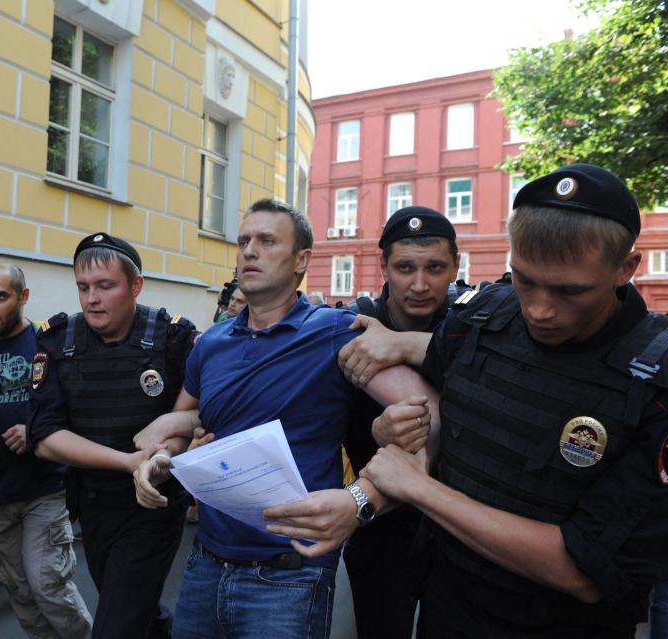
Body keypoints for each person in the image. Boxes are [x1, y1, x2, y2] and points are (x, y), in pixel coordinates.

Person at [287, 164, 668, 637]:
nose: (540, 309)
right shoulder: (484, 317)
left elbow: (583, 570)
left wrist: (419, 487)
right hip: (447, 608)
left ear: (626, 269)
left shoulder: (654, 378)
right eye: (525, 280)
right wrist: (395, 447)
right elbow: (433, 420)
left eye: (571, 290)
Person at [132, 199, 435, 639]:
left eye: (267, 241)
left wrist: (360, 496)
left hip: (290, 572)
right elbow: (184, 426)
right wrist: (159, 461)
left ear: (301, 261)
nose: (249, 251)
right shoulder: (210, 343)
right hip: (206, 564)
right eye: (244, 242)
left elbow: (425, 410)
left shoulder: (335, 331)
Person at [28, 232, 196, 638]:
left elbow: (195, 415)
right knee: (135, 609)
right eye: (83, 288)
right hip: (93, 504)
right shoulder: (55, 340)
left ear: (135, 286)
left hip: (154, 506)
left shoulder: (173, 339)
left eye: (105, 286)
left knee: (116, 625)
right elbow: (45, 437)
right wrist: (127, 462)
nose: (91, 299)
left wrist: (157, 457)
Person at [338, 206, 463, 639]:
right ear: (384, 266)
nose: (420, 284)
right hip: (381, 524)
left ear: (455, 267)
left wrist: (404, 345)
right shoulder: (350, 324)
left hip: (458, 521)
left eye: (435, 267)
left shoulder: (477, 327)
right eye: (405, 267)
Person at [0, 263, 91, 638]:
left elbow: (79, 412)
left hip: (43, 491)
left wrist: (34, 431)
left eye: (0, 297)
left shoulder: (48, 344)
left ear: (23, 297)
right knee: (18, 590)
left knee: (48, 587)